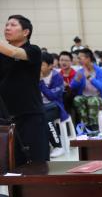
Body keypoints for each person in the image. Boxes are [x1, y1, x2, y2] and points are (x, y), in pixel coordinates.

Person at [0, 15, 49, 166]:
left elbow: (15, 53)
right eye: (6, 25)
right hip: (6, 118)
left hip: (30, 116)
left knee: (36, 163)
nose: (7, 28)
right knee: (10, 165)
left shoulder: (33, 50)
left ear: (26, 32)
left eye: (13, 25)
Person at [70, 48, 102, 133]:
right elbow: (72, 86)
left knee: (92, 100)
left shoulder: (101, 72)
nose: (78, 59)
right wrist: (76, 80)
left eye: (80, 57)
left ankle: (94, 127)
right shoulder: (80, 72)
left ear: (88, 58)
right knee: (77, 99)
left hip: (99, 98)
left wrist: (90, 78)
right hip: (85, 97)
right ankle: (86, 125)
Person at [40, 52, 67, 158]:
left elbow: (52, 96)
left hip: (55, 106)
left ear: (50, 66)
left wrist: (41, 82)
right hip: (40, 107)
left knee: (45, 117)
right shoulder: (33, 76)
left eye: (42, 64)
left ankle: (58, 146)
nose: (39, 67)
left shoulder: (57, 77)